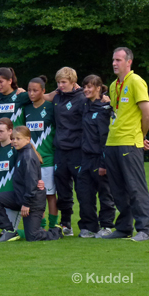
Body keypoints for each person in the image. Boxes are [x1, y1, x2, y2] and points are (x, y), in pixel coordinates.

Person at [103, 47, 149, 241]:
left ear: (129, 62)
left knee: (135, 187)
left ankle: (144, 230)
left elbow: (147, 114)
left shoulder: (136, 81)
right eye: (113, 60)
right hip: (112, 142)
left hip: (129, 143)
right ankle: (123, 228)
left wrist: (141, 136)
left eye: (118, 60)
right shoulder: (114, 85)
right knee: (117, 189)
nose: (114, 63)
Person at [0, 126, 63, 242]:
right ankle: (10, 231)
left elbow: (31, 182)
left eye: (18, 139)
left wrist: (26, 204)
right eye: (13, 139)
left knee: (32, 237)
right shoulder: (20, 153)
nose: (14, 141)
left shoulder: (27, 156)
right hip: (20, 197)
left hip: (33, 202)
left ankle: (56, 232)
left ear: (28, 139)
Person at [77, 75, 115, 238]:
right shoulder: (84, 105)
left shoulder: (105, 108)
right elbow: (66, 90)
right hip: (85, 158)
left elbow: (105, 138)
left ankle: (106, 226)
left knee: (105, 193)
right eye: (84, 87)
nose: (86, 90)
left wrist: (104, 163)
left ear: (98, 88)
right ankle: (89, 226)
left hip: (100, 157)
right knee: (84, 193)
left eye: (90, 87)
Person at [49, 67, 84, 236]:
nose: (60, 85)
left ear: (73, 82)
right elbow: (43, 96)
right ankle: (66, 224)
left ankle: (87, 224)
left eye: (64, 82)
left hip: (77, 150)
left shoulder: (82, 98)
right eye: (58, 82)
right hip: (60, 150)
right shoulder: (57, 97)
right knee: (62, 189)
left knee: (83, 188)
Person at [25, 76, 58, 231]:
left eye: (35, 90)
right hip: (31, 160)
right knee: (36, 195)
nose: (31, 93)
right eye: (29, 90)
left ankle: (53, 226)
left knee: (50, 194)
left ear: (43, 91)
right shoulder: (26, 109)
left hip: (48, 158)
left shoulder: (51, 108)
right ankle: (40, 226)